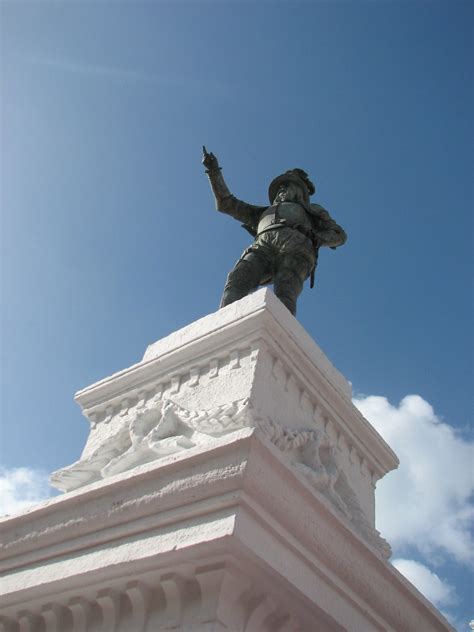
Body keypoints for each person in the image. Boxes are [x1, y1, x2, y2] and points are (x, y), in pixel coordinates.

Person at [203, 147, 346, 316]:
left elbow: (339, 235)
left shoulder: (312, 210)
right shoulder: (262, 213)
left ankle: (279, 334)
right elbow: (226, 203)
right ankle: (222, 325)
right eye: (280, 188)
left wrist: (318, 238)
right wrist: (213, 172)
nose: (281, 190)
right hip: (263, 245)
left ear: (300, 192)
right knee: (238, 278)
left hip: (296, 246)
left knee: (285, 292)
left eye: (288, 186)